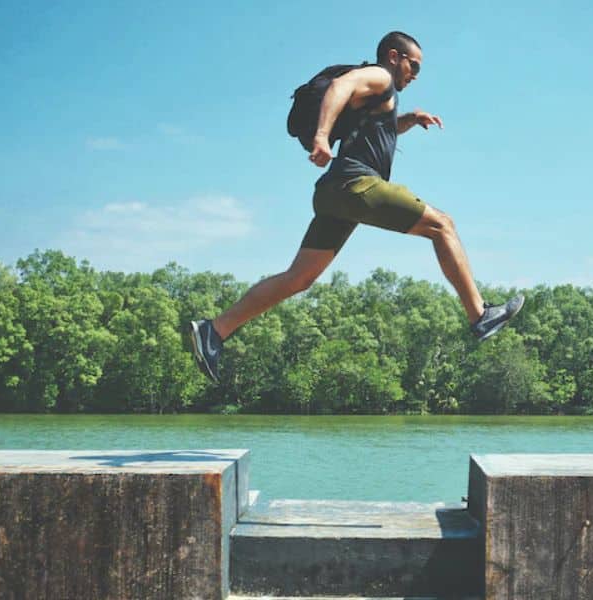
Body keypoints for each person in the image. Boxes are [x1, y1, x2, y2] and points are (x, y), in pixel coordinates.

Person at [190, 31, 524, 383]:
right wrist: (321, 137)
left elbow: (377, 130)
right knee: (442, 225)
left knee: (298, 278)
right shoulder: (379, 76)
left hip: (334, 193)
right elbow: (340, 87)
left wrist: (407, 121)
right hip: (355, 184)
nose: (415, 75)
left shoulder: (378, 98)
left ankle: (214, 331)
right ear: (394, 57)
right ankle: (480, 314)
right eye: (414, 66)